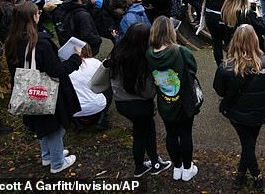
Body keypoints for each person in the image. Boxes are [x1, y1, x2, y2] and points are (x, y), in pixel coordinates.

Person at [5, 2, 82, 173]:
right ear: (33, 17)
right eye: (37, 12)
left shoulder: (12, 40)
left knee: (41, 122)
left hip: (27, 90)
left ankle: (48, 155)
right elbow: (57, 71)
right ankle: (57, 163)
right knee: (54, 126)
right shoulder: (41, 43)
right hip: (48, 90)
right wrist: (75, 58)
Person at [213, 24, 265, 190]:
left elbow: (219, 90)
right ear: (256, 40)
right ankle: (244, 175)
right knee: (249, 143)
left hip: (237, 114)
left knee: (247, 144)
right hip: (261, 112)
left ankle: (253, 175)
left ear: (234, 41)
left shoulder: (225, 67)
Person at [111, 23, 171, 177]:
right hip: (140, 105)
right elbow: (147, 92)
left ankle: (153, 161)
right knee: (142, 134)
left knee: (146, 130)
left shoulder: (118, 52)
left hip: (121, 102)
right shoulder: (143, 60)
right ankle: (143, 166)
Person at [146, 16, 198, 182]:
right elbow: (192, 69)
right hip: (183, 101)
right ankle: (188, 168)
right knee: (185, 133)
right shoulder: (180, 51)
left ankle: (177, 167)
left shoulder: (149, 53)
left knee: (171, 134)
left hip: (164, 100)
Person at [68, 44, 109, 130]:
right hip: (97, 106)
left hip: (74, 110)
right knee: (107, 85)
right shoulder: (95, 62)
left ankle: (76, 122)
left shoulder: (66, 67)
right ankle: (103, 116)